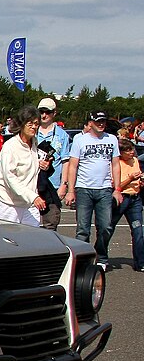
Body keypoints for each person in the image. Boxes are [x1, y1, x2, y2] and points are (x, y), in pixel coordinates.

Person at [60, 110, 120, 271]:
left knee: (106, 226)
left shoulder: (112, 139)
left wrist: (118, 189)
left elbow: (115, 164)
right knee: (82, 229)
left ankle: (101, 256)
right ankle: (83, 260)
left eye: (103, 121)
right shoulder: (80, 140)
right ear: (91, 123)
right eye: (98, 121)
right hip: (84, 188)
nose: (101, 124)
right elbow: (73, 166)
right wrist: (71, 190)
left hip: (105, 188)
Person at [0, 106, 47, 226]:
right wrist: (33, 197)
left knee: (32, 241)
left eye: (36, 124)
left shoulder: (34, 144)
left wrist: (43, 164)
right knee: (6, 242)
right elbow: (10, 178)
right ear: (21, 124)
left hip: (29, 205)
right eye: (30, 123)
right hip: (8, 205)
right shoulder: (10, 147)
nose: (34, 127)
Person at [110, 138, 144, 271]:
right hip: (121, 198)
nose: (132, 152)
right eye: (128, 150)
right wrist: (130, 178)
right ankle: (101, 256)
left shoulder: (135, 160)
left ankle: (140, 262)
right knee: (108, 228)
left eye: (132, 149)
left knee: (138, 230)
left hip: (135, 198)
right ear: (121, 153)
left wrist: (140, 182)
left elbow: (137, 180)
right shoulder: (116, 163)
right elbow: (115, 185)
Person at [36, 98, 71, 201]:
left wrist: (63, 185)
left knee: (52, 216)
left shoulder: (62, 135)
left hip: (53, 185)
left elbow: (65, 161)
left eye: (48, 112)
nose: (44, 115)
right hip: (33, 184)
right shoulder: (32, 131)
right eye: (41, 112)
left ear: (54, 113)